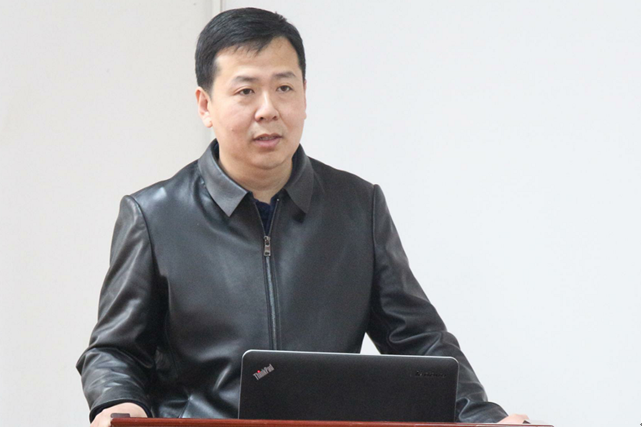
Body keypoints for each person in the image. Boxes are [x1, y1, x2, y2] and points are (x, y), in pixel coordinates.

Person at [77, 8, 529, 427]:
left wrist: (484, 418)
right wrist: (118, 404)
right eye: (246, 91)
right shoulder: (155, 216)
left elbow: (420, 341)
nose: (268, 109)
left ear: (305, 96)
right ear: (204, 105)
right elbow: (115, 351)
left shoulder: (358, 207)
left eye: (284, 87)